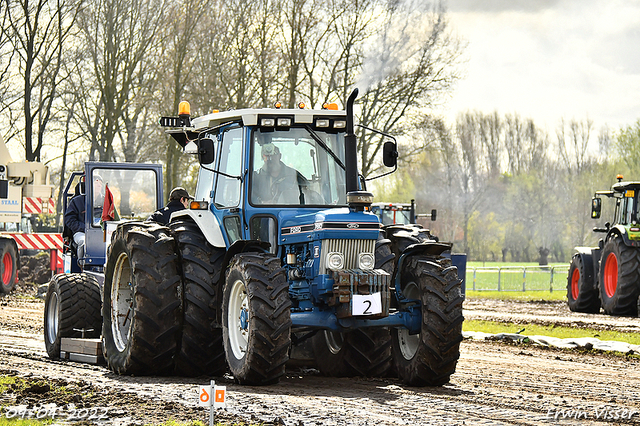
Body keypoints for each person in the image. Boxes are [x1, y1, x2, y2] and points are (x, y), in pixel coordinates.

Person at [64, 174, 103, 258]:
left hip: (102, 233)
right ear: (89, 184)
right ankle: (82, 265)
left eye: (101, 183)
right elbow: (69, 220)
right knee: (83, 242)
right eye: (96, 182)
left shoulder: (106, 202)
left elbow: (112, 218)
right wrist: (85, 228)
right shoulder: (77, 201)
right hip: (82, 232)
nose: (99, 185)